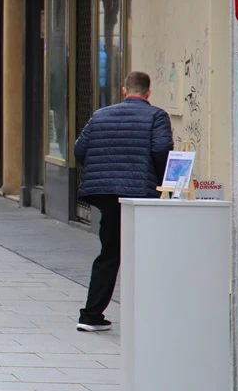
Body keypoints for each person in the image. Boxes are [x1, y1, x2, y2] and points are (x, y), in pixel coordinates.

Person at [74, 71, 173, 332]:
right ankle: (148, 314)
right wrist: (162, 182)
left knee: (110, 252)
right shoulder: (156, 116)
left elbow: (80, 149)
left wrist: (104, 172)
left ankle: (91, 314)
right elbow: (162, 149)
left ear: (123, 90)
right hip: (140, 192)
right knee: (144, 252)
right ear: (148, 92)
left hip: (106, 194)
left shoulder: (100, 115)